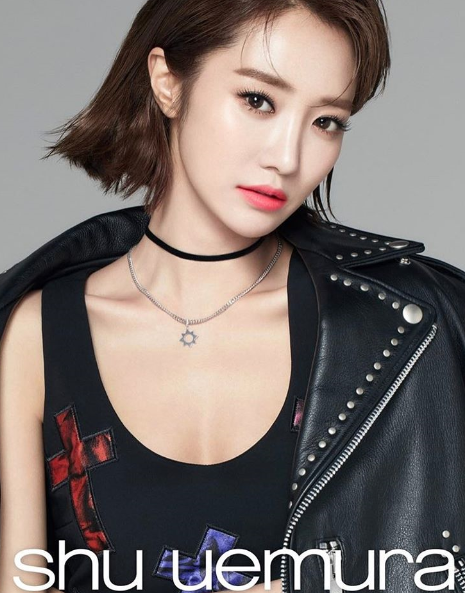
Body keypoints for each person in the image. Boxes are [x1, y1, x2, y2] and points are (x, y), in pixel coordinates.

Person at [0, 1, 464, 592]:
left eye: (326, 121)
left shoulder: (404, 330)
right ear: (168, 82)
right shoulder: (39, 333)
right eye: (258, 100)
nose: (287, 157)